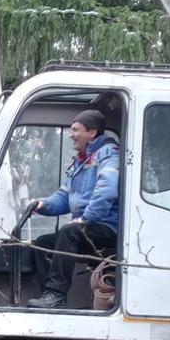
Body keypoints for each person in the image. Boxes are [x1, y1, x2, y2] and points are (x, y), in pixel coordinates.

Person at [25, 109, 121, 309]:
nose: (71, 135)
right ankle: (50, 298)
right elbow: (64, 196)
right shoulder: (80, 161)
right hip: (86, 227)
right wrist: (42, 204)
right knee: (42, 245)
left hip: (106, 226)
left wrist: (87, 218)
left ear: (92, 133)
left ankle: (56, 294)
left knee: (69, 232)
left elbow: (107, 189)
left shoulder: (108, 154)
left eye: (76, 130)